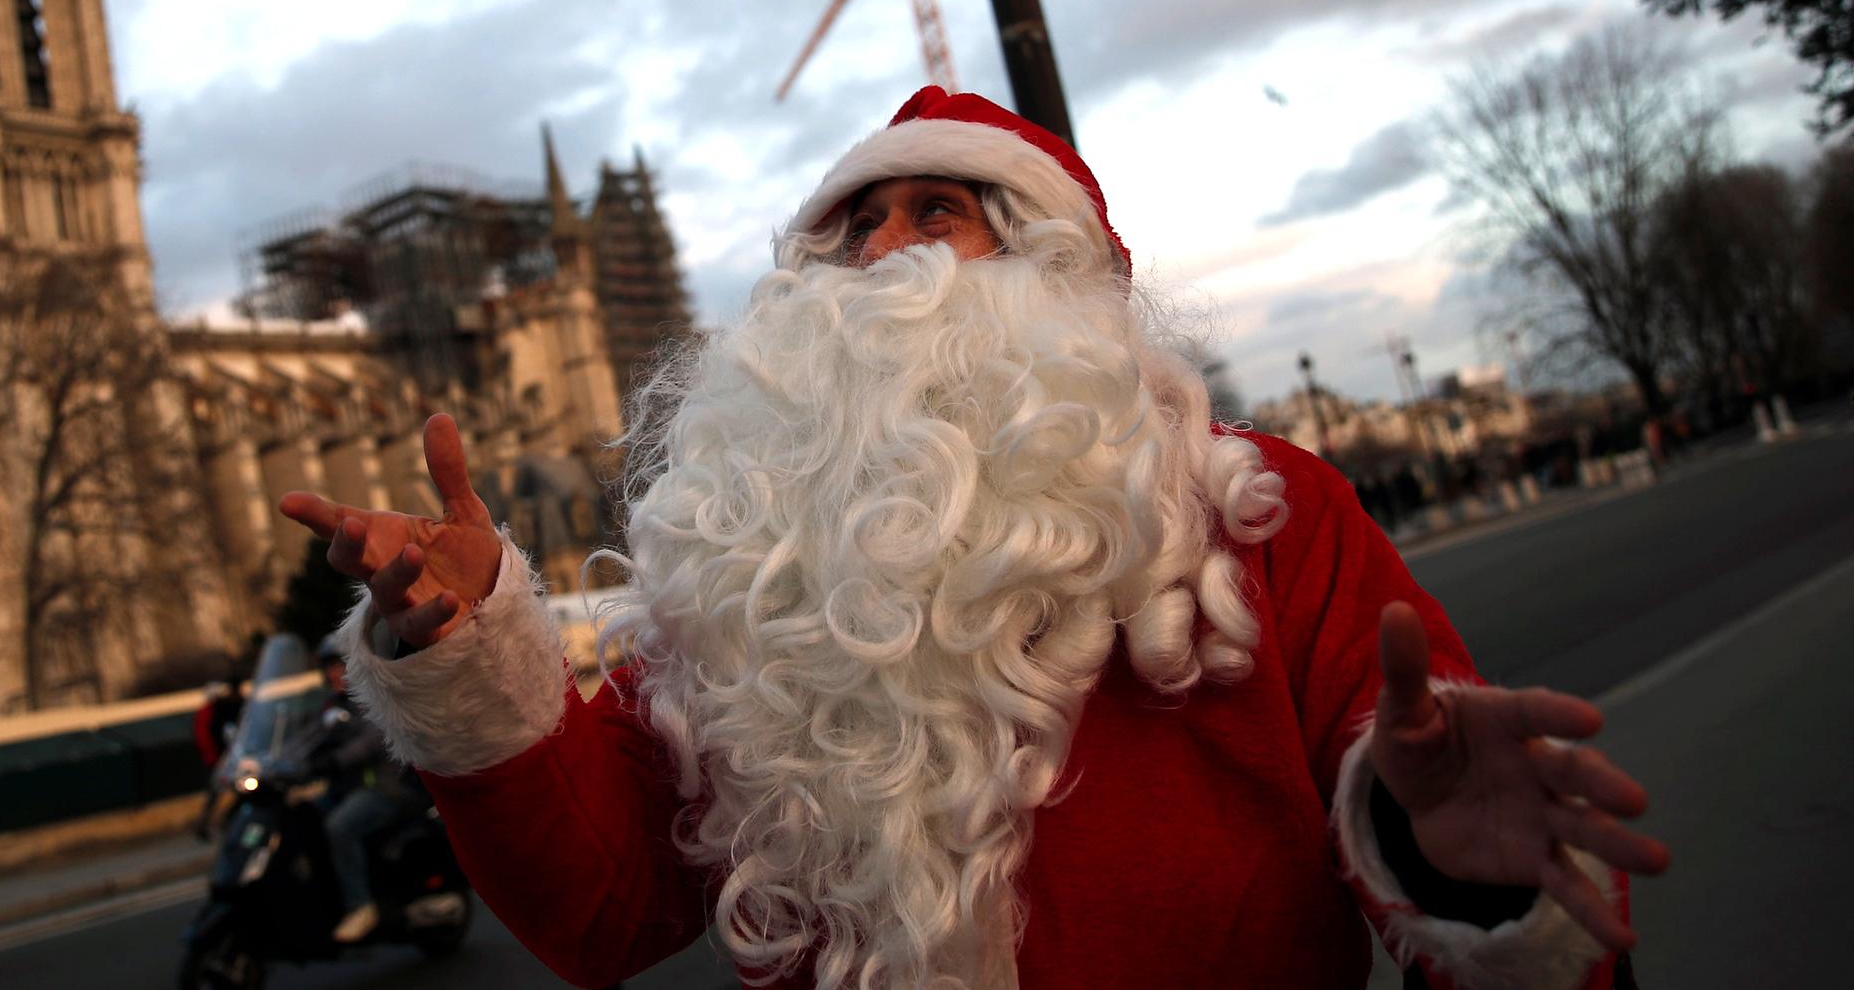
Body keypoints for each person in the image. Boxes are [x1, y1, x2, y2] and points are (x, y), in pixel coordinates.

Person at [280, 88, 1669, 990]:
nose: (880, 256)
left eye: (935, 213)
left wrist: (1461, 877)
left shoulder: (1267, 515)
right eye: (850, 229)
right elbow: (602, 907)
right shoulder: (746, 586)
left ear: (1057, 278)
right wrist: (463, 649)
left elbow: (1490, 896)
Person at [296, 636, 417, 944]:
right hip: (348, 789)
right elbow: (305, 739)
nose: (333, 674)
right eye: (328, 668)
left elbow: (370, 742)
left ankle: (360, 905)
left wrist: (334, 760)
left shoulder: (375, 698)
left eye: (339, 666)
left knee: (339, 827)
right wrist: (276, 762)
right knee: (301, 818)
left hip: (383, 788)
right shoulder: (331, 707)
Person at [189, 677, 247, 842]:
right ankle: (207, 825)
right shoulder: (210, 711)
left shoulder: (219, 709)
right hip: (215, 760)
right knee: (216, 794)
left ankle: (222, 823)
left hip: (220, 759)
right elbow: (206, 737)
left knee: (229, 793)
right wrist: (215, 757)